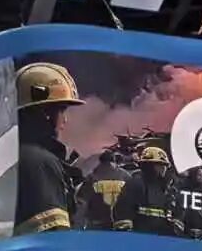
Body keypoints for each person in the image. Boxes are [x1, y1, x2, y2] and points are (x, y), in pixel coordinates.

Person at [13, 63, 83, 235]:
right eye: (62, 110)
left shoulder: (12, 156)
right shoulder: (40, 163)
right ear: (45, 113)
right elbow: (54, 236)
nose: (65, 120)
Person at [112, 146, 184, 237]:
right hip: (140, 236)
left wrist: (176, 224)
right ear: (149, 166)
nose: (163, 169)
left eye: (164, 166)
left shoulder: (168, 188)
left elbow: (177, 211)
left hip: (162, 237)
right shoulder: (136, 183)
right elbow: (123, 210)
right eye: (160, 165)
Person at [78, 149, 132, 230]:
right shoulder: (125, 176)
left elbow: (81, 198)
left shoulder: (92, 177)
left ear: (100, 161)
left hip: (97, 221)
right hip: (120, 222)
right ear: (114, 161)